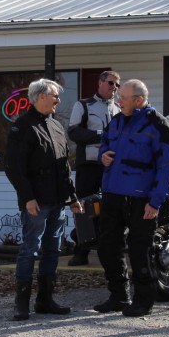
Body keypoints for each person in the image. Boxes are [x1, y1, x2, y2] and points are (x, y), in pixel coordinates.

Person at [93, 79, 169, 317]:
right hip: (112, 194)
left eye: (123, 98)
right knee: (108, 247)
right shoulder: (117, 120)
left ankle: (144, 300)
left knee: (140, 250)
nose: (118, 101)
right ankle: (119, 296)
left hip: (142, 199)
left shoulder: (159, 125)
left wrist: (155, 202)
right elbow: (104, 146)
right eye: (118, 97)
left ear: (139, 100)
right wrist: (103, 157)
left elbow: (167, 167)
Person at [5, 78, 83, 321]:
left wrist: (72, 197)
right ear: (40, 97)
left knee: (53, 250)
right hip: (37, 201)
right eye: (55, 96)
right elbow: (14, 168)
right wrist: (27, 198)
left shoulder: (57, 126)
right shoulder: (22, 127)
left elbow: (64, 167)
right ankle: (21, 303)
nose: (58, 100)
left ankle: (45, 300)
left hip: (58, 200)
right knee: (30, 250)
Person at [66, 70, 121, 265]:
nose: (114, 88)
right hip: (89, 165)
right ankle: (81, 251)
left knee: (109, 207)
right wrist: (100, 135)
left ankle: (107, 248)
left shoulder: (119, 108)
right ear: (100, 83)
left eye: (117, 85)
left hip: (112, 166)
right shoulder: (83, 104)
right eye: (110, 83)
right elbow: (73, 132)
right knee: (83, 206)